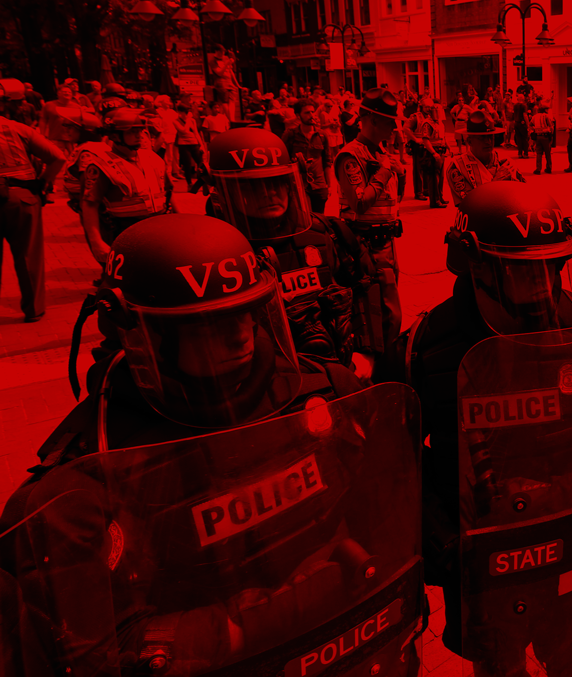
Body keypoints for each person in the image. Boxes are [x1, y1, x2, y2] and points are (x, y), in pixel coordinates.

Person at [0, 214, 424, 677]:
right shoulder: (84, 482)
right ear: (145, 337)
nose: (241, 334)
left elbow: (389, 529)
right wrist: (275, 613)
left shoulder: (327, 392)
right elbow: (96, 654)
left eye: (247, 312)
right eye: (209, 325)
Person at [401, 182, 572, 677]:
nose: (544, 283)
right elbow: (403, 470)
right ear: (476, 265)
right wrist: (445, 545)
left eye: (553, 265)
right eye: (523, 269)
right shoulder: (424, 351)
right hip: (489, 563)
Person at [208, 128, 373, 371]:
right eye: (254, 187)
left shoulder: (328, 232)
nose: (269, 194)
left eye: (277, 183)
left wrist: (365, 350)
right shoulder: (211, 253)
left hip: (339, 368)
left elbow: (365, 287)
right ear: (225, 194)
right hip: (264, 379)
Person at [335, 88, 406, 374]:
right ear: (372, 120)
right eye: (389, 122)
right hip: (365, 246)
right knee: (381, 316)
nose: (393, 128)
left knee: (387, 317)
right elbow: (360, 202)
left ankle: (385, 369)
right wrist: (386, 171)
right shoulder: (351, 156)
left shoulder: (379, 153)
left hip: (386, 243)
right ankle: (379, 375)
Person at [79, 107, 172, 268]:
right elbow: (89, 204)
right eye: (131, 132)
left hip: (160, 228)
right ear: (115, 136)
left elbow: (169, 192)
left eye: (140, 130)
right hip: (125, 233)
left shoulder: (153, 158)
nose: (139, 135)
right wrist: (96, 242)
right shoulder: (101, 165)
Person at [0, 109, 65, 322]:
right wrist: (43, 182)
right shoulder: (16, 128)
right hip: (21, 197)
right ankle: (34, 310)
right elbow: (58, 157)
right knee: (28, 255)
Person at [445, 110, 525, 206]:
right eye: (482, 138)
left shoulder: (506, 162)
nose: (488, 141)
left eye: (490, 137)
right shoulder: (457, 167)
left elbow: (524, 194)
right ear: (469, 141)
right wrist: (496, 182)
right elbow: (469, 205)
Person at [283, 98, 333, 213]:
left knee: (320, 220)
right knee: (302, 219)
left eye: (312, 112)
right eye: (307, 112)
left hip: (319, 185)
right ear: (298, 115)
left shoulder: (322, 135)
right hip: (299, 185)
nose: (311, 115)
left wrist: (329, 186)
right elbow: (284, 162)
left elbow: (327, 161)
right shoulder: (290, 135)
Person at [406, 95, 448, 207]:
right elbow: (406, 128)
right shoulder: (417, 117)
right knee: (419, 170)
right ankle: (419, 192)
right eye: (427, 107)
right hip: (420, 146)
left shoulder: (437, 120)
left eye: (431, 107)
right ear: (421, 107)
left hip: (433, 147)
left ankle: (428, 191)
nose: (429, 109)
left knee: (431, 173)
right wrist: (415, 139)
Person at [172, 98, 207, 193]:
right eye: (185, 112)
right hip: (184, 144)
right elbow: (184, 131)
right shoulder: (176, 121)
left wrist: (201, 145)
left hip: (194, 143)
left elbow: (196, 133)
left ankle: (203, 183)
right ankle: (189, 184)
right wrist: (187, 120)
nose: (187, 113)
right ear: (180, 112)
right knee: (187, 165)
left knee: (201, 164)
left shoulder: (192, 121)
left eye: (188, 111)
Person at [530, 102, 555, 175]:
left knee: (539, 153)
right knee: (548, 153)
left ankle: (538, 169)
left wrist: (533, 131)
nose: (548, 110)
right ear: (544, 110)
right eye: (547, 109)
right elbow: (551, 126)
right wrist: (551, 134)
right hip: (546, 136)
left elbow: (530, 125)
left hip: (538, 137)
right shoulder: (546, 116)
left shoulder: (534, 116)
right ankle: (549, 168)